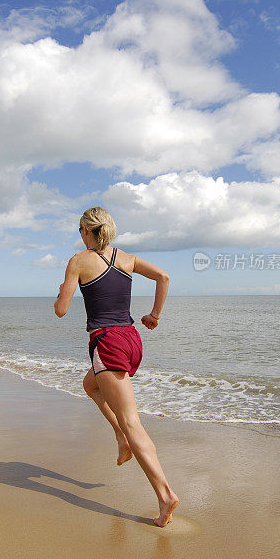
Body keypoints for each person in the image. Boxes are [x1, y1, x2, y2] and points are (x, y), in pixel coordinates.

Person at [54, 206, 179, 528]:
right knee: (90, 386)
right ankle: (121, 437)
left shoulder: (78, 261)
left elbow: (61, 310)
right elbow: (163, 277)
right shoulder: (127, 259)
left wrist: (60, 293)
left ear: (86, 230)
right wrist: (155, 316)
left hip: (107, 342)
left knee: (132, 420)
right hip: (132, 339)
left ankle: (165, 495)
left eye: (80, 230)